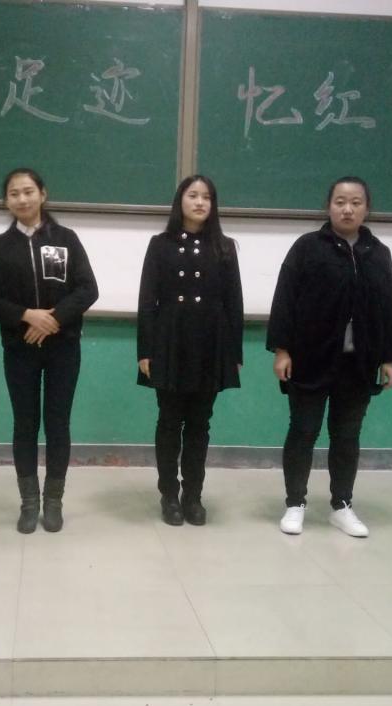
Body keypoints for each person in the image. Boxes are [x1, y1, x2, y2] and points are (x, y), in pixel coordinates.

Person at [266, 176, 392, 538]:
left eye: (356, 202)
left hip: (358, 363)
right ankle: (295, 503)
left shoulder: (378, 253)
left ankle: (342, 505)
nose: (347, 209)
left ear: (367, 208)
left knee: (347, 435)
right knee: (303, 431)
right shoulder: (307, 247)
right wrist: (282, 349)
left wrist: (388, 358)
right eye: (340, 201)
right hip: (310, 358)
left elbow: (388, 308)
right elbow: (284, 300)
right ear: (328, 206)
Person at [0, 168, 98, 533]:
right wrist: (27, 316)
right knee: (25, 424)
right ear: (6, 201)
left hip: (63, 348)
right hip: (20, 348)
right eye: (14, 193)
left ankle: (53, 502)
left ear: (43, 194)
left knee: (58, 423)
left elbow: (88, 289)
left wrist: (53, 319)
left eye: (28, 191)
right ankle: (29, 503)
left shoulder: (66, 239)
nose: (22, 199)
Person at [137, 175, 244, 526]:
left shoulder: (224, 247)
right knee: (169, 421)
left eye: (206, 197)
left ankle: (193, 495)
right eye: (193, 195)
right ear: (180, 200)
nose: (200, 202)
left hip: (210, 344)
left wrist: (234, 353)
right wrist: (145, 351)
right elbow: (147, 301)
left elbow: (234, 303)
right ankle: (169, 494)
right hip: (169, 341)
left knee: (200, 423)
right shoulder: (160, 244)